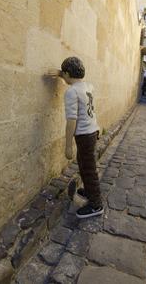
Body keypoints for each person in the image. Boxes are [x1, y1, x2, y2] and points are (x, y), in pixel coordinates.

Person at [47, 57, 103, 219]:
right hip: (93, 131)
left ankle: (96, 204)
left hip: (84, 135)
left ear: (67, 74)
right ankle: (90, 191)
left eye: (64, 75)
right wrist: (62, 74)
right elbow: (74, 80)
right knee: (85, 165)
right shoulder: (88, 86)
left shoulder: (71, 92)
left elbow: (72, 120)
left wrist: (68, 145)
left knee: (88, 169)